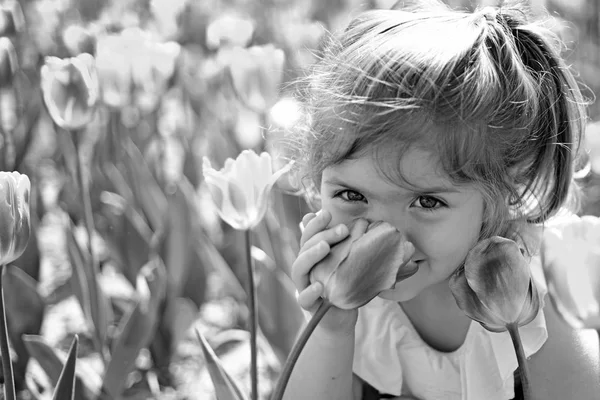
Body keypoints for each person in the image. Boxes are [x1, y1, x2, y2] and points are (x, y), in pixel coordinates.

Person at [284, 1, 600, 399]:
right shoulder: (355, 288)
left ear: (505, 195)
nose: (384, 232)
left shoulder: (527, 288)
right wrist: (329, 328)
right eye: (351, 195)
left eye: (427, 202)